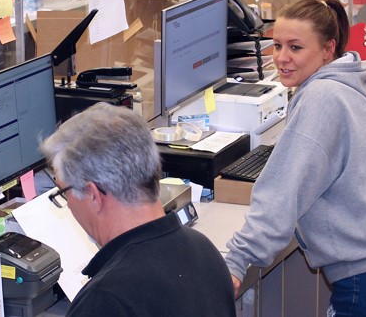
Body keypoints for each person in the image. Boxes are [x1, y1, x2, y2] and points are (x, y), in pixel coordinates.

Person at [225, 0, 366, 316]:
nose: (282, 58)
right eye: (276, 45)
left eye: (295, 47)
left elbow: (281, 192)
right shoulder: (351, 83)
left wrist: (236, 260)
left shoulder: (322, 97)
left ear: (328, 49)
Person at [41, 102, 236, 317]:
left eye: (63, 192)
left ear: (93, 195)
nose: (68, 203)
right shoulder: (203, 250)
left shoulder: (106, 299)